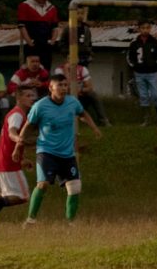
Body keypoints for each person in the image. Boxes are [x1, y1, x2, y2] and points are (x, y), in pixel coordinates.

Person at [20, 74, 102, 226]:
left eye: (65, 85)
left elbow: (83, 113)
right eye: (60, 85)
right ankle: (30, 220)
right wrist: (20, 142)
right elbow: (29, 125)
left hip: (67, 153)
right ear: (51, 87)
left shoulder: (72, 102)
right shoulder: (40, 106)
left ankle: (71, 223)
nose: (64, 88)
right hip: (46, 151)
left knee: (75, 187)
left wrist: (94, 128)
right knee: (43, 184)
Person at [0, 88, 38, 224]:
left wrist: (22, 159)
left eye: (33, 96)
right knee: (23, 196)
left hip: (1, 158)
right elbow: (12, 132)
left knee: (4, 194)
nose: (32, 98)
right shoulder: (17, 115)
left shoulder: (18, 114)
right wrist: (18, 139)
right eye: (28, 95)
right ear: (19, 98)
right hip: (7, 159)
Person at [17, 0, 61, 74]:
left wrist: (52, 41)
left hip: (46, 44)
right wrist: (29, 42)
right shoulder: (25, 5)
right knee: (30, 70)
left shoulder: (52, 8)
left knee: (45, 71)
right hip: (32, 44)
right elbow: (22, 26)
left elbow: (55, 27)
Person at [127, 20, 157, 127]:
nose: (145, 30)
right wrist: (135, 66)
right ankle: (146, 119)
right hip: (139, 73)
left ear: (150, 29)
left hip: (152, 73)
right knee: (143, 96)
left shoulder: (155, 42)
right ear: (139, 29)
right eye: (143, 28)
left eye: (147, 28)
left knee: (156, 95)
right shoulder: (134, 42)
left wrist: (154, 63)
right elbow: (129, 57)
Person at [54, 60, 110, 127]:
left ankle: (103, 120)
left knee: (93, 94)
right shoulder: (59, 70)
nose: (71, 61)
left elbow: (89, 87)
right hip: (66, 97)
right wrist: (66, 71)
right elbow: (64, 87)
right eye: (69, 59)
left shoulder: (82, 69)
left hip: (81, 96)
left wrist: (80, 90)